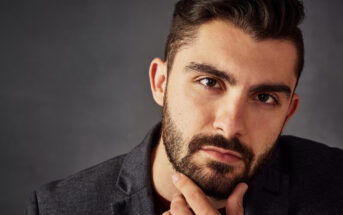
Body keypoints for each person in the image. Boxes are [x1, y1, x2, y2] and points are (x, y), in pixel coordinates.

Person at [26, 0, 343, 214]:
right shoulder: (59, 208)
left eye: (264, 98)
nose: (231, 125)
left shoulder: (334, 186)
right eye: (209, 82)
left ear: (288, 113)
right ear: (160, 83)